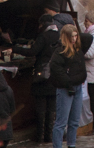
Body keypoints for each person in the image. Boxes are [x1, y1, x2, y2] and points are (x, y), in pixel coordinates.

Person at [22, 14, 60, 143]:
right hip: (55, 76)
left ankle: (40, 136)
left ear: (43, 24)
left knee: (41, 108)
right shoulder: (59, 35)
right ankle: (49, 136)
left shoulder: (43, 36)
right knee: (52, 108)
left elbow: (33, 52)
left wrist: (15, 49)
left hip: (42, 76)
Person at [50, 24, 89, 148]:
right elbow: (57, 70)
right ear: (65, 37)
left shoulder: (78, 50)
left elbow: (89, 37)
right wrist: (69, 83)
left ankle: (71, 145)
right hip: (65, 88)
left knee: (74, 121)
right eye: (71, 36)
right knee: (61, 122)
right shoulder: (59, 52)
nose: (74, 39)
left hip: (77, 87)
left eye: (76, 36)